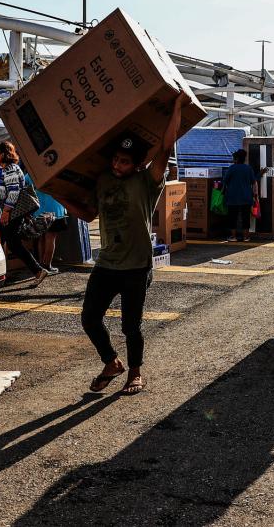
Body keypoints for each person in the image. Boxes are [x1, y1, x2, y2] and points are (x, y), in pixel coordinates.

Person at [59, 94, 186, 395]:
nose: (117, 164)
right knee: (90, 318)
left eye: (125, 161)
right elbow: (89, 212)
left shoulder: (147, 181)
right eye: (116, 158)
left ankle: (135, 373)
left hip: (136, 266)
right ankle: (111, 363)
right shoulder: (103, 179)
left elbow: (165, 146)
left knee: (131, 327)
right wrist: (57, 194)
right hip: (107, 263)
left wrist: (177, 106)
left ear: (137, 163)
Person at [0, 142, 48, 286]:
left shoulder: (10, 169)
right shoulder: (6, 168)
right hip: (8, 214)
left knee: (8, 243)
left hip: (10, 214)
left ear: (4, 154)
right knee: (9, 243)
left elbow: (13, 191)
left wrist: (6, 212)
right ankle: (36, 271)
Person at [25, 173, 69, 274]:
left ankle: (41, 264)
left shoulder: (31, 173)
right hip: (55, 209)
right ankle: (47, 265)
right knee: (51, 238)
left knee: (41, 237)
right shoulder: (55, 171)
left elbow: (25, 184)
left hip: (38, 210)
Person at [221, 149, 259, 242]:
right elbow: (254, 182)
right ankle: (246, 237)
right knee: (246, 217)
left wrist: (223, 190)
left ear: (237, 159)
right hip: (246, 197)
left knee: (232, 217)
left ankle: (233, 237)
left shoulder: (232, 168)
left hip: (232, 197)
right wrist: (255, 195)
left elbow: (225, 181)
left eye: (234, 158)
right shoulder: (248, 168)